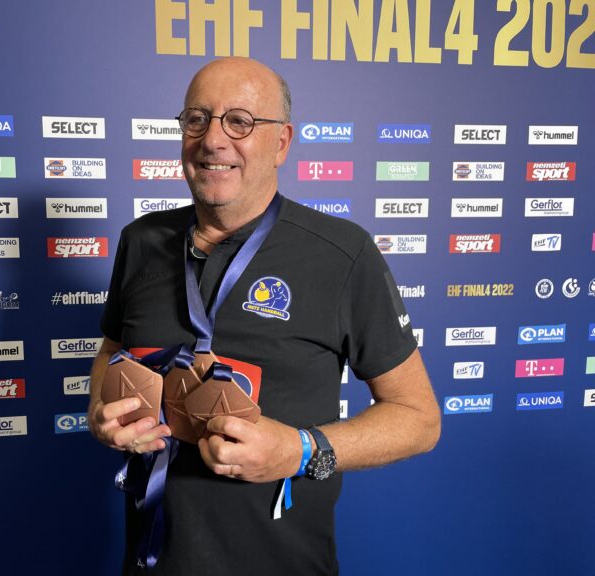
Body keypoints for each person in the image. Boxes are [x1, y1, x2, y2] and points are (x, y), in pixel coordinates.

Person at [89, 57, 441, 576]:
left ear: (281, 143)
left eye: (240, 121)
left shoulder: (342, 254)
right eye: (197, 119)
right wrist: (103, 413)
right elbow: (110, 355)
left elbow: (419, 420)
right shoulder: (141, 241)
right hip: (152, 561)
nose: (213, 140)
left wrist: (300, 449)